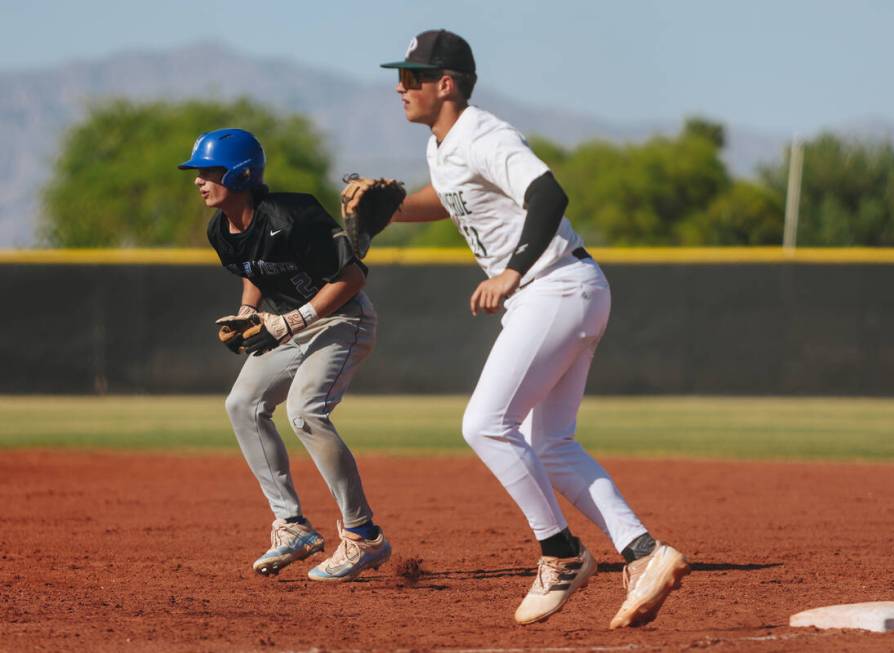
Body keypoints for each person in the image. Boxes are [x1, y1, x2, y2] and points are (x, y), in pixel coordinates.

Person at [377, 30, 690, 628]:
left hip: (552, 286)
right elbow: (449, 199)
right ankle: (644, 554)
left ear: (446, 83)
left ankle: (561, 553)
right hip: (564, 291)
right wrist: (392, 209)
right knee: (550, 444)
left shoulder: (483, 133)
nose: (401, 85)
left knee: (485, 424)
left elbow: (549, 193)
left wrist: (512, 271)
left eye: (413, 76)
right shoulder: (444, 147)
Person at [177, 128, 391, 582]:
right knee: (242, 405)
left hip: (342, 319)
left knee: (306, 410)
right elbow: (251, 268)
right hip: (286, 324)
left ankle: (363, 535)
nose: (198, 180)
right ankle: (292, 526)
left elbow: (352, 279)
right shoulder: (221, 228)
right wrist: (246, 311)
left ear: (240, 173)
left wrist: (291, 321)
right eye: (196, 173)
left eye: (208, 171)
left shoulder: (291, 215)